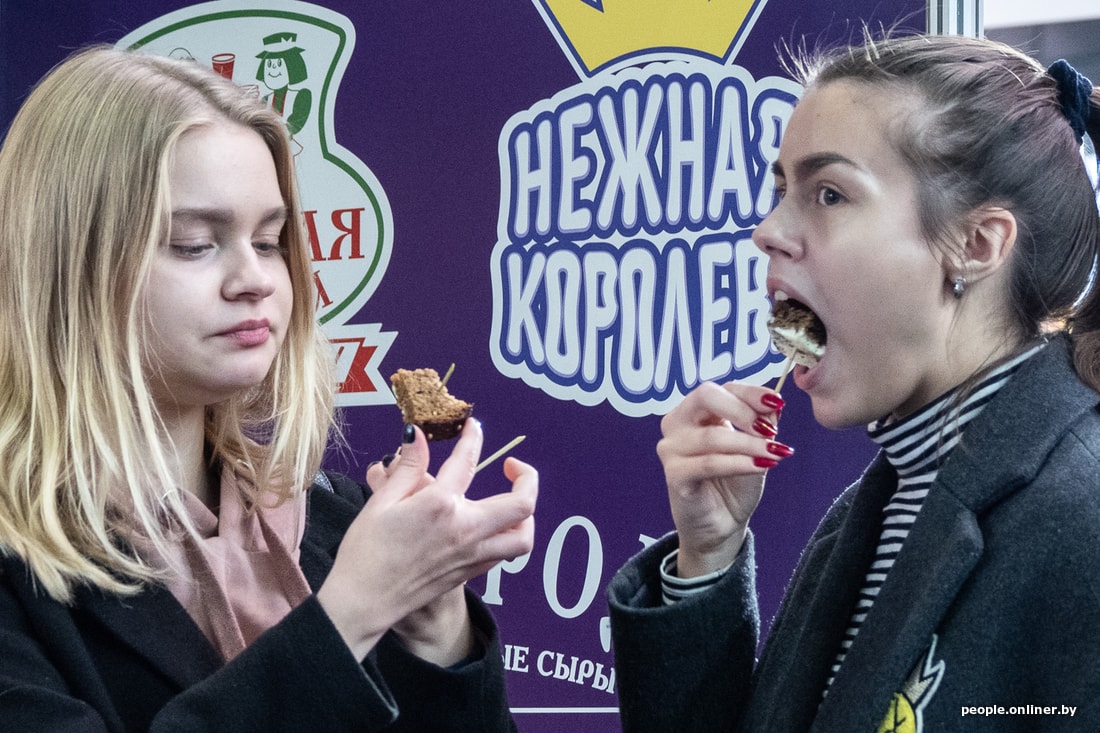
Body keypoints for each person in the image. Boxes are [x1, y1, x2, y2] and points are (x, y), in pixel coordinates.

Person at [0, 45, 537, 731]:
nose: (254, 279)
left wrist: (435, 627)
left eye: (271, 240)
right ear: (65, 263)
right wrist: (349, 616)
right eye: (195, 243)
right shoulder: (18, 575)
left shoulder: (341, 522)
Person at [608, 32, 1100, 732]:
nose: (767, 231)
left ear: (977, 244)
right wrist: (707, 559)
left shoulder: (1084, 519)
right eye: (782, 191)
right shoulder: (866, 515)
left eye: (829, 193)